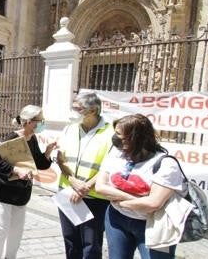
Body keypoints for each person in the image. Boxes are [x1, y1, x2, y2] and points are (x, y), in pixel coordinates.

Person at [95, 114, 185, 259]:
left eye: (119, 134)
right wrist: (133, 199)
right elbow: (100, 187)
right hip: (117, 218)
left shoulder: (166, 164)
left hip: (155, 224)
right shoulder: (115, 154)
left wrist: (120, 200)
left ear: (136, 138)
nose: (115, 138)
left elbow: (153, 204)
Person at [0, 105, 58, 259]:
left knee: (15, 233)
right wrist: (16, 170)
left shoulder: (31, 138)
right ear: (27, 121)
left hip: (21, 194)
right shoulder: (13, 138)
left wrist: (48, 151)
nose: (41, 124)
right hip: (4, 193)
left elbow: (39, 163)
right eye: (39, 121)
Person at [56, 92, 115, 259]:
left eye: (78, 109)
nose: (73, 112)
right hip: (67, 193)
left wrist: (86, 187)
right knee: (70, 241)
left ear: (93, 110)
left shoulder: (110, 133)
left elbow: (110, 166)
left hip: (94, 198)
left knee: (91, 245)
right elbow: (60, 158)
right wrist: (73, 181)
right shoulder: (70, 128)